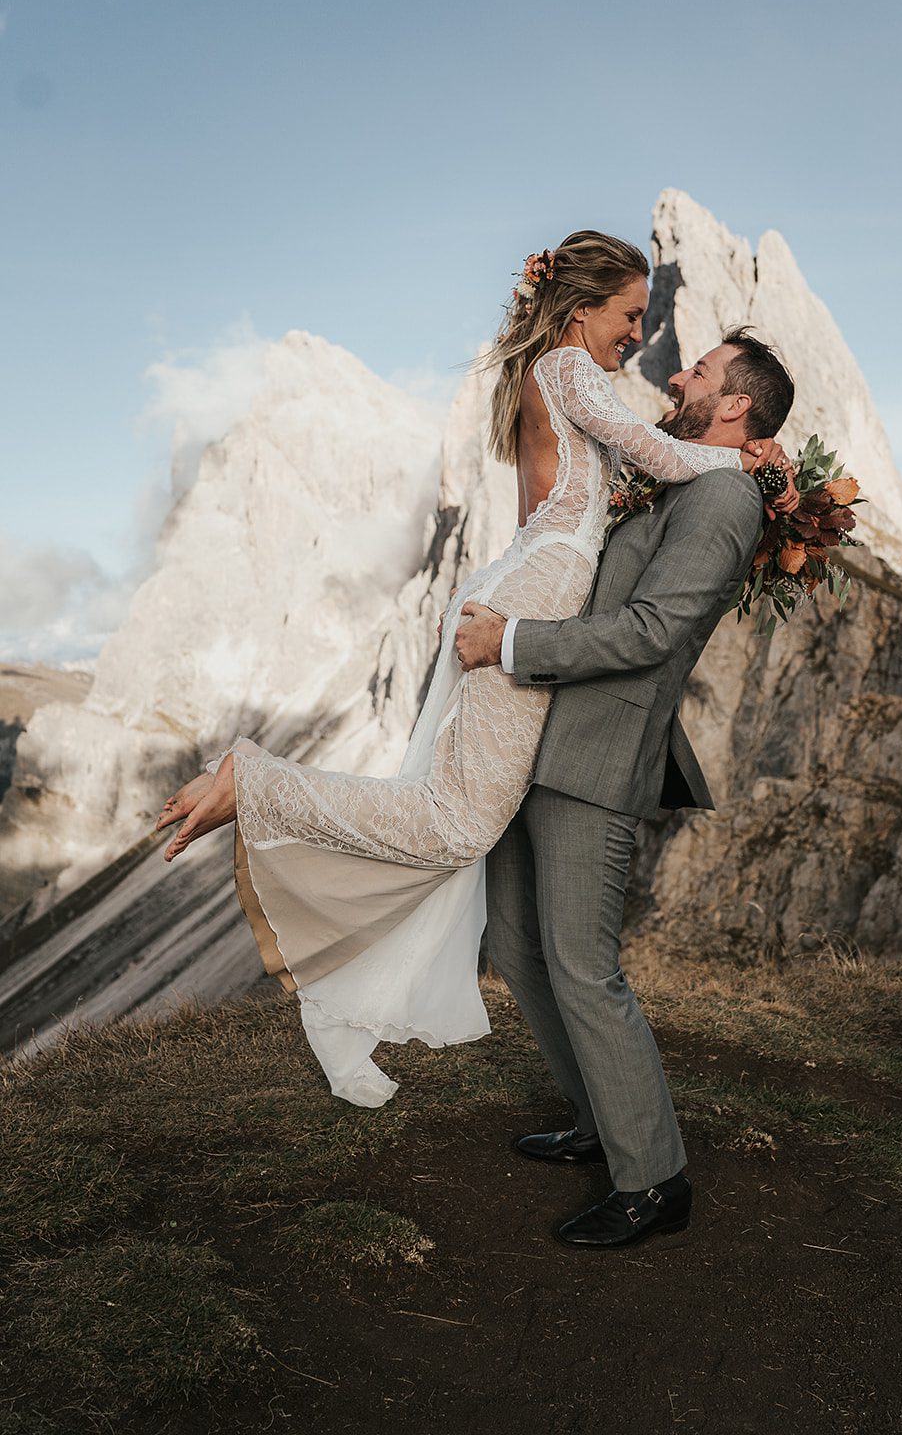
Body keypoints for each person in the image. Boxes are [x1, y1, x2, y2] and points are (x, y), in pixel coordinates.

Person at [155, 231, 795, 1112]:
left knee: (453, 819)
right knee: (454, 825)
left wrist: (742, 464)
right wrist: (747, 459)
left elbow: (639, 460)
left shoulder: (555, 372)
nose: (639, 340)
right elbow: (659, 457)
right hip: (536, 590)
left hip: (530, 581)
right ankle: (256, 784)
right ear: (580, 310)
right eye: (628, 316)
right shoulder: (570, 370)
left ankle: (281, 835)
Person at [454, 329, 796, 1248]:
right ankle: (599, 1121)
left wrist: (510, 645)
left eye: (700, 371)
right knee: (520, 947)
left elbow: (649, 631)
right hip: (542, 738)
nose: (677, 374)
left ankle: (653, 1181)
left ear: (733, 406)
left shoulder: (722, 497)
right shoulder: (688, 475)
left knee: (582, 966)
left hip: (598, 758)